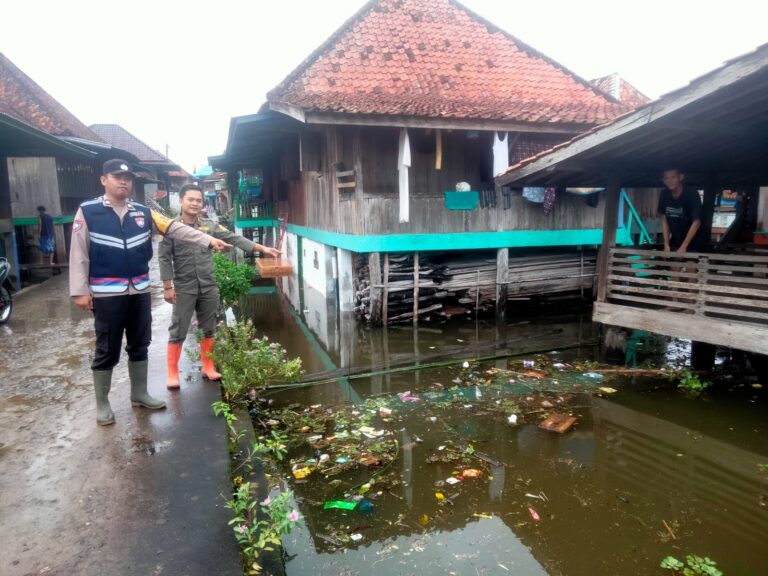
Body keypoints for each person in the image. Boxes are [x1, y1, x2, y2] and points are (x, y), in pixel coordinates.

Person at [69, 159, 232, 426]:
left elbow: (175, 228)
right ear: (104, 180)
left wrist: (208, 239)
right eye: (117, 177)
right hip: (107, 292)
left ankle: (140, 393)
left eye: (128, 178)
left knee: (139, 343)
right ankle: (102, 404)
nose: (123, 182)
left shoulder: (144, 212)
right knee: (107, 347)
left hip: (140, 290)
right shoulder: (89, 211)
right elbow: (78, 252)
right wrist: (79, 290)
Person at [159, 183, 281, 389]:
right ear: (181, 200)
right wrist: (167, 286)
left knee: (210, 327)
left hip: (208, 285)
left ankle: (208, 366)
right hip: (184, 286)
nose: (195, 203)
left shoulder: (210, 225)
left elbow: (234, 238)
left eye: (199, 200)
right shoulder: (171, 228)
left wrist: (262, 248)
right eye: (191, 199)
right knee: (178, 328)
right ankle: (172, 373)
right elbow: (163, 258)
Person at [657, 168, 706, 254]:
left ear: (681, 177)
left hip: (694, 240)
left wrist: (684, 247)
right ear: (663, 180)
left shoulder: (691, 194)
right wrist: (666, 244)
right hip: (676, 239)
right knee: (673, 265)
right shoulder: (664, 194)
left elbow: (696, 222)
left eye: (673, 177)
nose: (670, 181)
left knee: (690, 266)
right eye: (667, 178)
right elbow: (664, 220)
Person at [37, 205, 57, 271]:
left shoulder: (40, 216)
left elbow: (40, 225)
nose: (39, 213)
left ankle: (41, 262)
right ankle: (50, 262)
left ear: (41, 211)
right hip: (50, 235)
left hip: (43, 234)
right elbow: (53, 226)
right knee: (51, 248)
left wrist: (38, 234)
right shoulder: (50, 217)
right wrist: (54, 234)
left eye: (39, 211)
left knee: (41, 248)